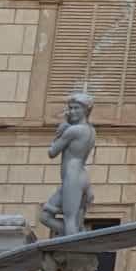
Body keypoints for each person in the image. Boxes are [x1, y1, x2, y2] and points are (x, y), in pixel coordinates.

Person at [41, 90, 98, 238]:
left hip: (72, 175)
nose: (72, 111)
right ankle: (75, 237)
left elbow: (52, 152)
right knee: (46, 216)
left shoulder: (73, 130)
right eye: (70, 108)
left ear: (85, 110)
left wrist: (61, 130)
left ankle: (72, 247)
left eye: (76, 108)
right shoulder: (91, 130)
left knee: (69, 220)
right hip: (80, 176)